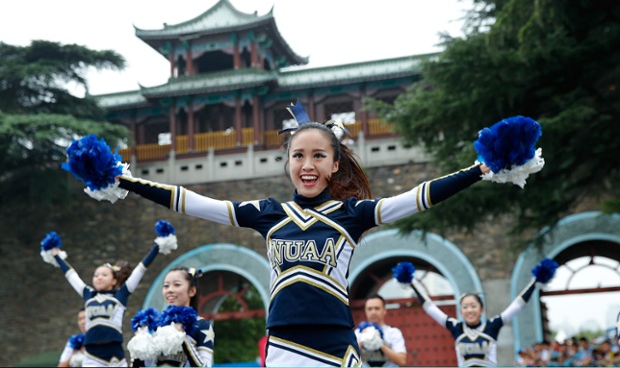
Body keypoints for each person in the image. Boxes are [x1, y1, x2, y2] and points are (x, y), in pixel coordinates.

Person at [67, 101, 547, 366]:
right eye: (299, 155)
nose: (308, 164)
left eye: (319, 155)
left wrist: (480, 169)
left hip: (337, 347)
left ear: (335, 163)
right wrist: (124, 180)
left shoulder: (354, 213)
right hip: (283, 348)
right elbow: (193, 201)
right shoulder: (267, 213)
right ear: (288, 163)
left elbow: (417, 196)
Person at [41, 223, 172, 367]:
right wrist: (57, 256)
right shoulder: (88, 294)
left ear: (114, 280)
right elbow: (71, 275)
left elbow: (141, 269)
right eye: (96, 275)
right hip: (92, 354)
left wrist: (158, 246)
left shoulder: (121, 295)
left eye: (104, 274)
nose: (99, 277)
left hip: (115, 353)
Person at [408, 258, 557, 367]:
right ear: (460, 311)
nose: (469, 310)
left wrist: (534, 282)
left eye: (473, 306)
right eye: (465, 307)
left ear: (481, 309)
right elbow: (430, 308)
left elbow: (517, 305)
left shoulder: (492, 326)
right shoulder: (456, 328)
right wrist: (411, 283)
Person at [130, 266, 215, 367]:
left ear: (192, 291)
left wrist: (182, 338)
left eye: (177, 285)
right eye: (166, 286)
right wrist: (140, 341)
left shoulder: (201, 325)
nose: (170, 290)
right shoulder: (157, 326)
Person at [355, 294, 407, 366]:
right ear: (365, 311)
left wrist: (380, 343)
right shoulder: (357, 333)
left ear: (384, 310)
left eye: (377, 308)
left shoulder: (394, 332)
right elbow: (347, 358)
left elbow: (402, 360)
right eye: (370, 309)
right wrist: (362, 340)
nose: (373, 312)